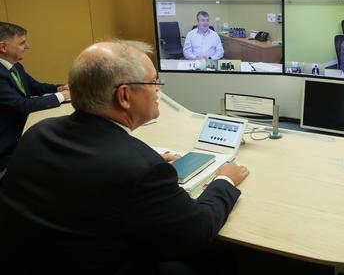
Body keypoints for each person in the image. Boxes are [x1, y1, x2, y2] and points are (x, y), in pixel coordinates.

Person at [0, 40, 249, 274]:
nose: (159, 89)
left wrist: (142, 161)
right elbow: (196, 233)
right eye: (154, 82)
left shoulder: (38, 132)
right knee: (222, 259)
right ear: (125, 96)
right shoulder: (141, 168)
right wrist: (224, 181)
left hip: (32, 262)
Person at [0, 21, 70, 175]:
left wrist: (59, 88)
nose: (28, 46)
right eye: (22, 43)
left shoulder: (15, 66)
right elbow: (22, 105)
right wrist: (61, 96)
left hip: (22, 129)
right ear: (3, 47)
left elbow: (36, 87)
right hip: (7, 142)